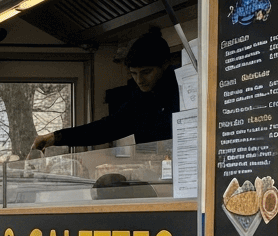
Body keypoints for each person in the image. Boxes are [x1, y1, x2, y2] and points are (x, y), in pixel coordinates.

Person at [32, 27, 179, 152]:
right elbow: (106, 128)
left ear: (165, 65)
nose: (139, 80)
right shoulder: (141, 99)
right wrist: (56, 137)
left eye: (146, 72)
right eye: (134, 73)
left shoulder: (182, 90)